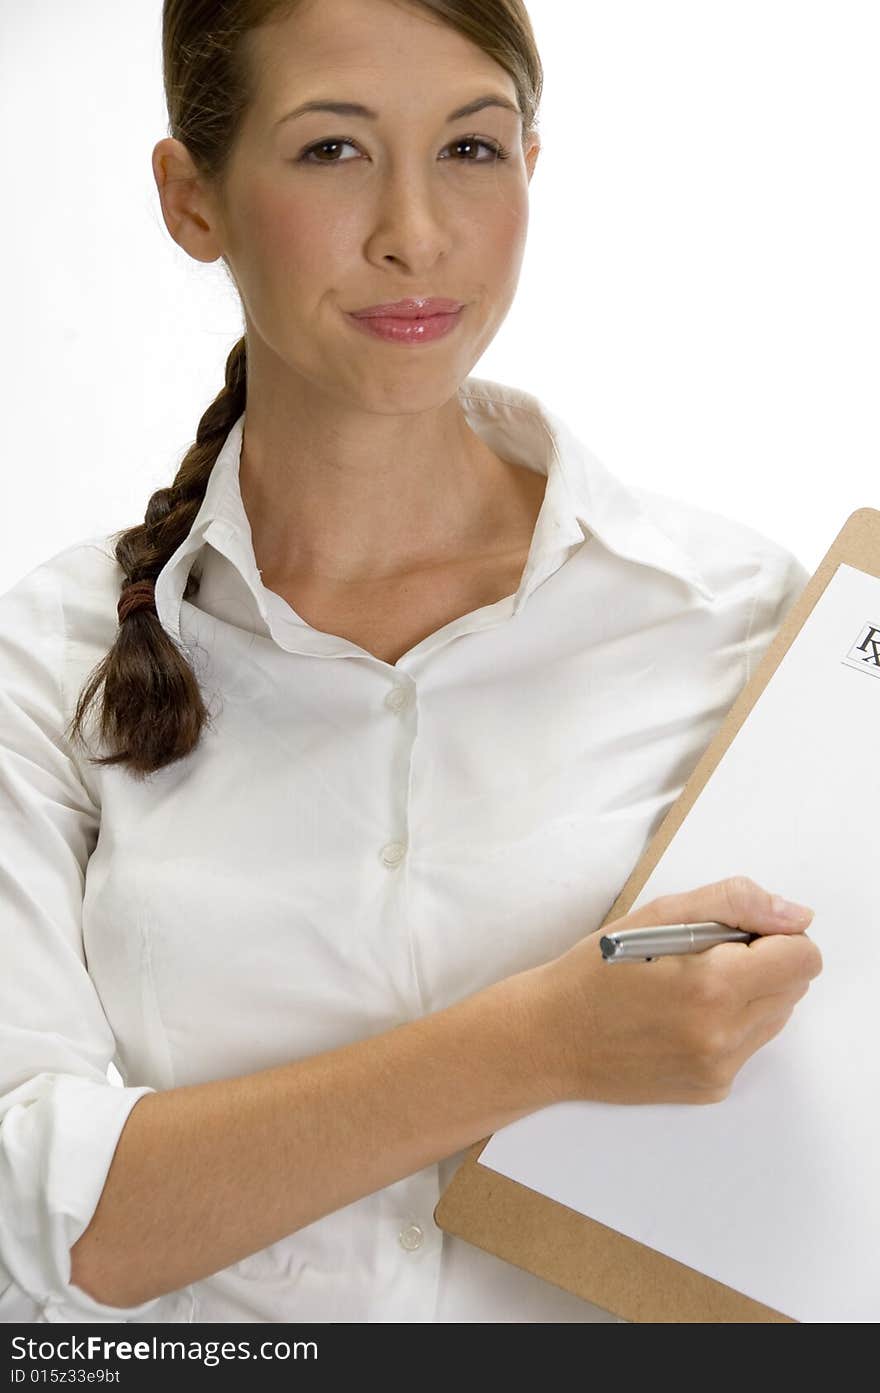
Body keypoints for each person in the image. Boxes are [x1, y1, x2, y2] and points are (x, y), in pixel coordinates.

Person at [0, 0, 821, 1325]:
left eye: (471, 149)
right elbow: (31, 1217)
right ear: (190, 197)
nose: (416, 232)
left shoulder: (729, 619)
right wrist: (535, 1043)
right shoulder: (51, 661)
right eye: (332, 150)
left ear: (532, 172)